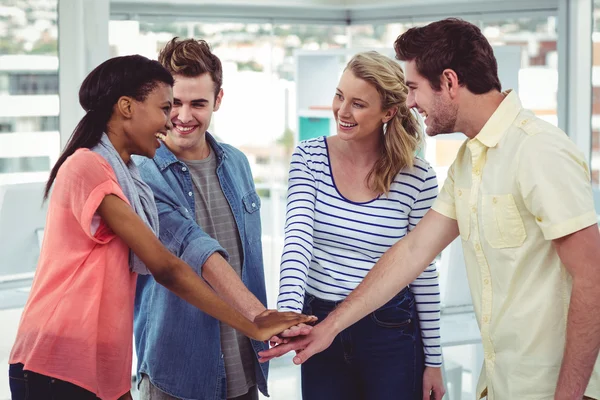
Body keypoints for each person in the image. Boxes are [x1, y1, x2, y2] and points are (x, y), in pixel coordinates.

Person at [259, 18, 600, 400]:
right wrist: (329, 327)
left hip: (554, 388)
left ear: (450, 82)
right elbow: (412, 253)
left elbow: (593, 278)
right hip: (502, 382)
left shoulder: (539, 150)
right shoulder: (467, 164)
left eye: (414, 89)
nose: (409, 102)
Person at [7, 54, 313, 400]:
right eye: (164, 108)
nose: (170, 122)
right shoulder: (87, 167)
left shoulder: (128, 177)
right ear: (126, 107)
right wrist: (252, 323)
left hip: (102, 364)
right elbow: (167, 267)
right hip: (56, 361)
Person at [275, 51, 445, 400]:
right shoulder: (308, 157)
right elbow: (298, 238)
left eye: (358, 104)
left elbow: (423, 272)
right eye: (339, 96)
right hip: (318, 322)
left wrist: (434, 361)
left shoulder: (417, 177)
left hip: (390, 330)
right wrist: (289, 311)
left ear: (388, 111)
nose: (342, 111)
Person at [132, 38, 290, 400]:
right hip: (176, 371)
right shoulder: (141, 174)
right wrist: (259, 315)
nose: (184, 117)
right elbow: (194, 249)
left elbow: (249, 260)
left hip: (244, 364)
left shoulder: (237, 163)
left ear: (218, 100)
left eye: (198, 103)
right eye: (174, 104)